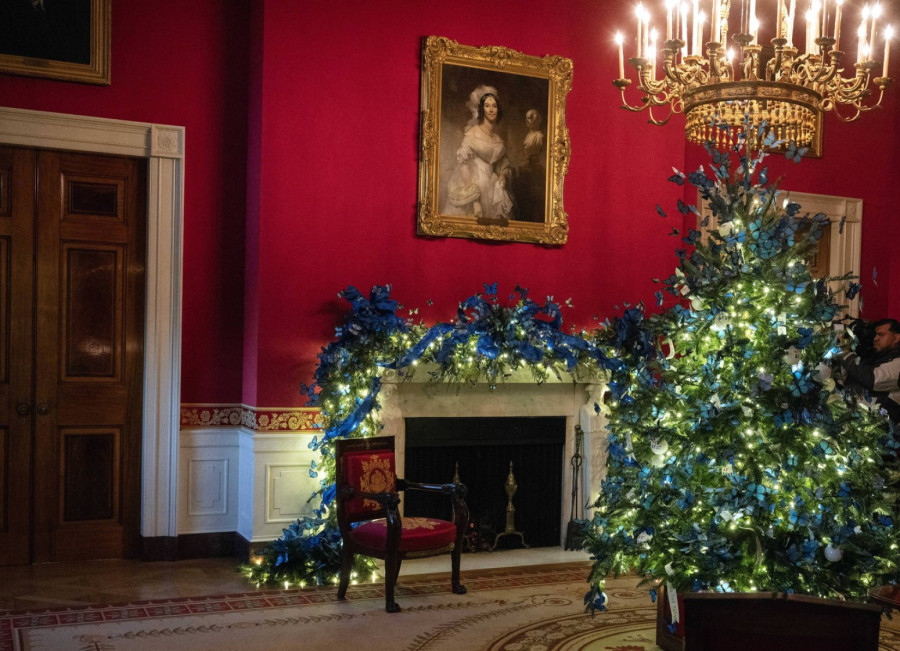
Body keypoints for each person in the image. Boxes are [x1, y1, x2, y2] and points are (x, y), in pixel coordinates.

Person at [444, 85, 514, 220]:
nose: (491, 109)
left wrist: (503, 176)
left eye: (494, 106)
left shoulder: (498, 139)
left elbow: (503, 163)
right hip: (474, 184)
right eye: (487, 106)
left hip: (493, 187)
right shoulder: (472, 134)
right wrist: (475, 201)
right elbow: (463, 166)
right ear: (482, 109)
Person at [836, 318, 900, 423]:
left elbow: (872, 379)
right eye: (874, 335)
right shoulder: (873, 358)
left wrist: (845, 354)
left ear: (896, 337)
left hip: (880, 429)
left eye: (881, 334)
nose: (875, 339)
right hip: (856, 422)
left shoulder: (898, 361)